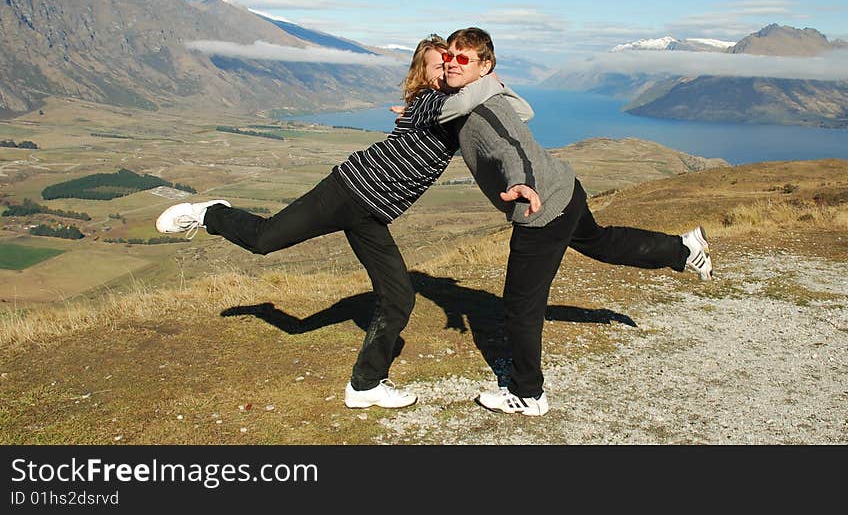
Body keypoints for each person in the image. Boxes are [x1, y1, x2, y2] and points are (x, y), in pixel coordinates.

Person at [154, 35, 531, 410]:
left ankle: (366, 385)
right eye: (441, 62)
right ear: (423, 72)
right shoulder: (429, 102)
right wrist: (488, 78)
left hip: (373, 214)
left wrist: (489, 80)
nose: (449, 65)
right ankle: (210, 213)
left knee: (398, 298)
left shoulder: (456, 106)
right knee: (264, 240)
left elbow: (523, 112)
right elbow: (469, 100)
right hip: (347, 191)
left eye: (455, 60)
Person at [438, 27, 713, 417]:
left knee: (521, 306)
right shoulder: (478, 96)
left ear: (484, 66)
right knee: (602, 243)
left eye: (462, 58)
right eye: (449, 56)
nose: (452, 63)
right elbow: (522, 115)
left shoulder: (483, 108)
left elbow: (510, 148)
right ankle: (683, 249)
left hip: (542, 207)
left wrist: (520, 182)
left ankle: (527, 394)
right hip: (565, 188)